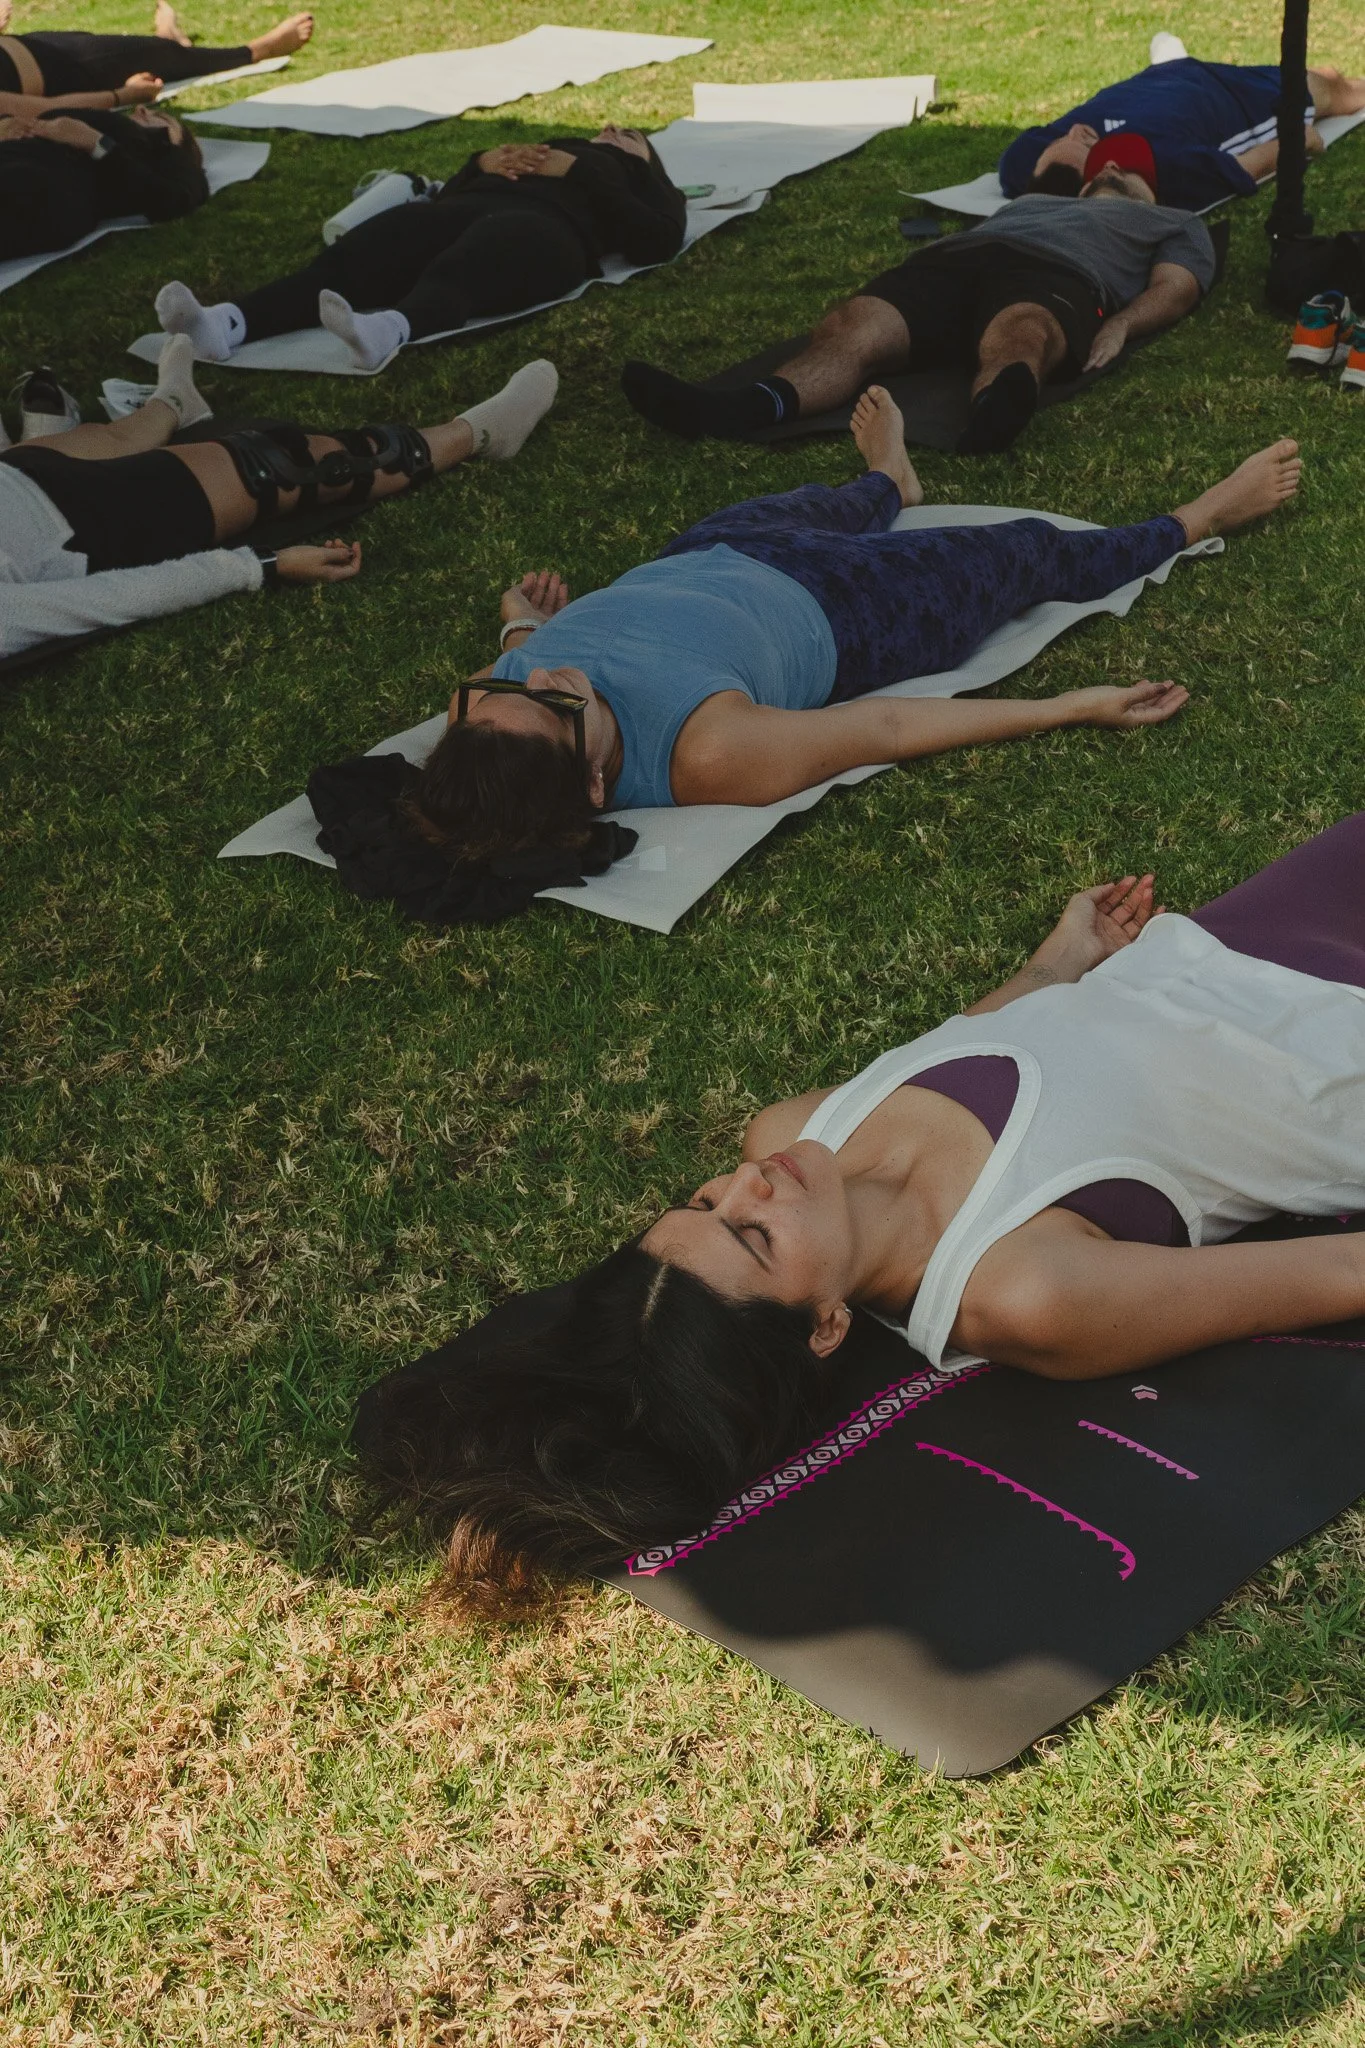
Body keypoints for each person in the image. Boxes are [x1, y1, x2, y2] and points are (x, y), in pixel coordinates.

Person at [354, 809, 1365, 1586]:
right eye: (752, 1235)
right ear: (829, 1324)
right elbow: (1336, 1268)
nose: (748, 1181)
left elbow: (963, 1044)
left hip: (1228, 939)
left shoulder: (795, 1130)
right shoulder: (1022, 1289)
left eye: (704, 1199)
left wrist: (1061, 960)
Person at [404, 389, 1297, 863]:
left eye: (496, 693)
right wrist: (1068, 706)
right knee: (1022, 550)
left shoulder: (485, 711)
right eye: (556, 708)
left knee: (819, 502)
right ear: (596, 788)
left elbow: (521, 674)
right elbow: (886, 727)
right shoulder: (705, 755)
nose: (547, 682)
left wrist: (520, 630)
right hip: (849, 605)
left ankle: (888, 485)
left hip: (707, 552)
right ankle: (1198, 517)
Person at [0, 338, 558, 660]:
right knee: (279, 462)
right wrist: (260, 564)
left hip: (16, 482)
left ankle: (174, 402)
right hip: (86, 526)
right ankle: (477, 435)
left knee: (114, 437)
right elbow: (103, 600)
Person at [622, 171, 1217, 455]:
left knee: (1024, 328)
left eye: (1129, 171)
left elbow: (1179, 286)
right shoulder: (1034, 200)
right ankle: (738, 408)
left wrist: (1121, 322)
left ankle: (993, 413)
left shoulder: (1172, 221)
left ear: (1152, 195)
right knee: (854, 323)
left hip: (1061, 274)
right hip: (955, 260)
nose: (1112, 169)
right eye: (1102, 169)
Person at [153, 123, 687, 372]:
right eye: (607, 129)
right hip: (463, 207)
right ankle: (226, 323)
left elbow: (657, 241)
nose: (614, 128)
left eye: (631, 135)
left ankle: (389, 329)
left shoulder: (641, 181)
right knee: (371, 248)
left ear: (645, 158)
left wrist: (585, 170)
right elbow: (451, 192)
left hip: (550, 230)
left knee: (473, 262)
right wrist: (481, 163)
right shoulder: (555, 146)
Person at [1001, 40, 1365, 213]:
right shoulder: (1161, 168)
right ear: (1104, 177)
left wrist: (1065, 146)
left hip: (1159, 79)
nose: (1076, 130)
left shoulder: (1028, 162)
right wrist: (1297, 141)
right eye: (1086, 145)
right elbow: (1248, 165)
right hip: (1235, 98)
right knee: (1333, 87)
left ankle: (1174, 58)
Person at [0, 103, 207, 258]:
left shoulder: (165, 150)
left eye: (161, 118)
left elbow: (177, 197)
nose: (141, 110)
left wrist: (96, 143)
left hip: (44, 181)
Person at [0, 6, 313, 109]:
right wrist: (121, 95)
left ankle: (168, 40)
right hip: (69, 70)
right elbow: (43, 110)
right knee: (163, 55)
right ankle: (259, 50)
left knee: (152, 51)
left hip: (35, 46)